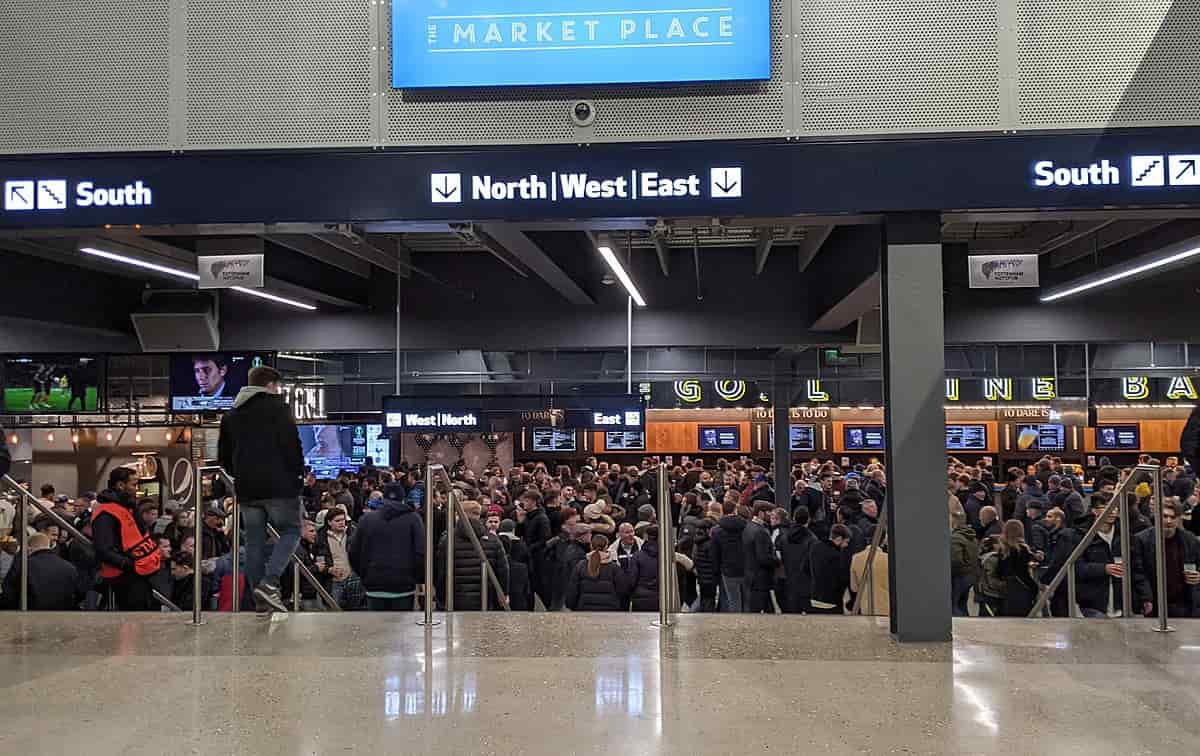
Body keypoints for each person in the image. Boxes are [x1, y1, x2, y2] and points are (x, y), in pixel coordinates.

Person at [218, 365, 303, 613]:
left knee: (253, 543)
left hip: (247, 489)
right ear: (269, 385)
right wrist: (297, 476)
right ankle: (270, 582)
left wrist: (241, 475)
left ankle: (260, 602)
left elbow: (224, 456)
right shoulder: (279, 408)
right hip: (280, 487)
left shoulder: (232, 414)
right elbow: (292, 446)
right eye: (277, 386)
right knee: (292, 531)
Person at [91, 467, 161, 610]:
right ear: (120, 485)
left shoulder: (127, 508)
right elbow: (103, 549)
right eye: (133, 485)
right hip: (124, 578)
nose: (136, 489)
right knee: (132, 625)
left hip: (138, 574)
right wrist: (130, 565)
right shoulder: (106, 513)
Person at [348, 482, 424, 611]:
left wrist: (365, 575)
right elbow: (420, 552)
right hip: (404, 586)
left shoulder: (366, 520)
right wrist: (416, 578)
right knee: (402, 629)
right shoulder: (413, 519)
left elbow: (354, 552)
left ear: (383, 498)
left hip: (374, 585)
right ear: (403, 498)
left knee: (377, 628)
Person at [435, 499, 509, 611]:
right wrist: (504, 592)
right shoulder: (493, 540)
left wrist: (440, 597)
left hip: (455, 597)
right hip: (484, 597)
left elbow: (441, 572)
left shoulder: (447, 540)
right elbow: (503, 570)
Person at [1132, 499, 1200, 618]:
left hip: (1184, 604)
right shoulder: (1142, 539)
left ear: (1178, 518)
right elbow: (1138, 572)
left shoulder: (1190, 540)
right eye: (1165, 516)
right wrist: (1146, 598)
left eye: (1173, 517)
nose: (1168, 521)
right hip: (1155, 602)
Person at [1074, 492, 1125, 618]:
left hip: (1122, 603)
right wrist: (1103, 568)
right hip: (1092, 603)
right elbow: (1076, 567)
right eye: (1106, 507)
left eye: (1115, 507)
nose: (1113, 511)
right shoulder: (1081, 536)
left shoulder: (1124, 535)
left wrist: (1145, 596)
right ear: (1094, 511)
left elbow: (1137, 567)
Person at [0, 532, 80, 610]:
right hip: (64, 618)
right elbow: (78, 594)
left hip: (31, 618)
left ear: (29, 548)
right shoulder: (70, 568)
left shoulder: (23, 565)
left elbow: (8, 593)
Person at [566, 534, 632, 611]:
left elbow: (572, 591)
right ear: (606, 547)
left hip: (584, 611)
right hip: (610, 612)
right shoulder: (614, 568)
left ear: (591, 546)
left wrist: (572, 606)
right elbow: (623, 592)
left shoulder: (580, 566)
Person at [996, 520, 1040, 616]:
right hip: (1022, 589)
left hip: (1006, 590)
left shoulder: (1001, 548)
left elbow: (1001, 569)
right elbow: (1022, 570)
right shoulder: (1022, 549)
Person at [710, 499, 747, 612]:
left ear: (722, 511)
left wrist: (716, 571)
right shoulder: (745, 526)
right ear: (735, 510)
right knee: (746, 599)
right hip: (745, 567)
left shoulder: (716, 530)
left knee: (733, 600)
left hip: (727, 570)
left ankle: (736, 623)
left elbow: (715, 553)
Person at [742, 502, 778, 613]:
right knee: (759, 611)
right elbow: (762, 557)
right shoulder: (761, 531)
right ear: (761, 513)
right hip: (760, 579)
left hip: (750, 575)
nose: (771, 516)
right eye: (769, 513)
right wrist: (777, 560)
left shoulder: (748, 527)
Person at [809, 524, 852, 614]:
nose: (846, 545)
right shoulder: (837, 556)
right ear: (839, 539)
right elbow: (841, 580)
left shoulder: (815, 547)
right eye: (846, 542)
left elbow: (805, 568)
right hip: (831, 602)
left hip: (814, 598)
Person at [850, 535, 889, 616]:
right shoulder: (888, 558)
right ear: (883, 541)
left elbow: (854, 588)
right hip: (886, 607)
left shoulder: (856, 558)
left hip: (865, 608)